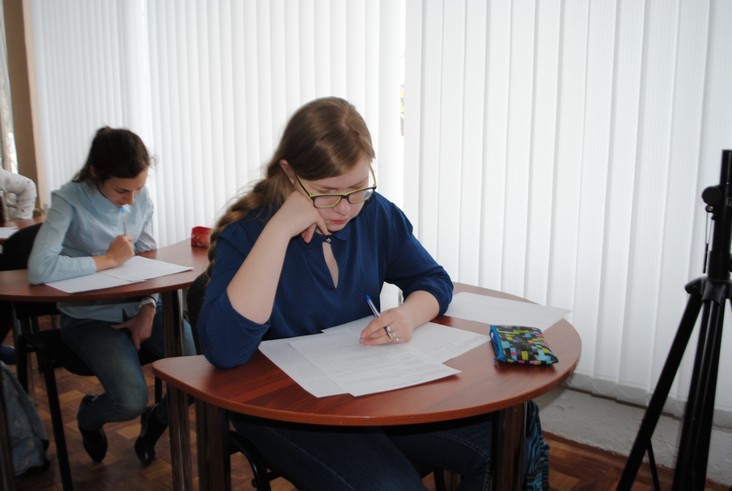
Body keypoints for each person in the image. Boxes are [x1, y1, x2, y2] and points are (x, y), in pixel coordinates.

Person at [198, 97, 493, 490]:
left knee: (505, 439)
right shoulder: (249, 235)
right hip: (288, 412)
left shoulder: (375, 214)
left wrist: (407, 316)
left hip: (368, 391)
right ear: (290, 174)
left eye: (357, 188)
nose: (345, 208)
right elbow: (225, 350)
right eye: (326, 191)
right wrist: (278, 231)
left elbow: (433, 280)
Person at [27, 127, 196, 466]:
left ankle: (157, 420)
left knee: (197, 377)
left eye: (139, 188)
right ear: (95, 174)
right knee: (129, 400)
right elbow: (39, 269)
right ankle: (89, 416)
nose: (132, 200)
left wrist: (148, 308)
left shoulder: (139, 197)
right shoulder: (68, 200)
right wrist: (107, 261)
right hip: (90, 318)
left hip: (143, 306)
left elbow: (149, 257)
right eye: (122, 190)